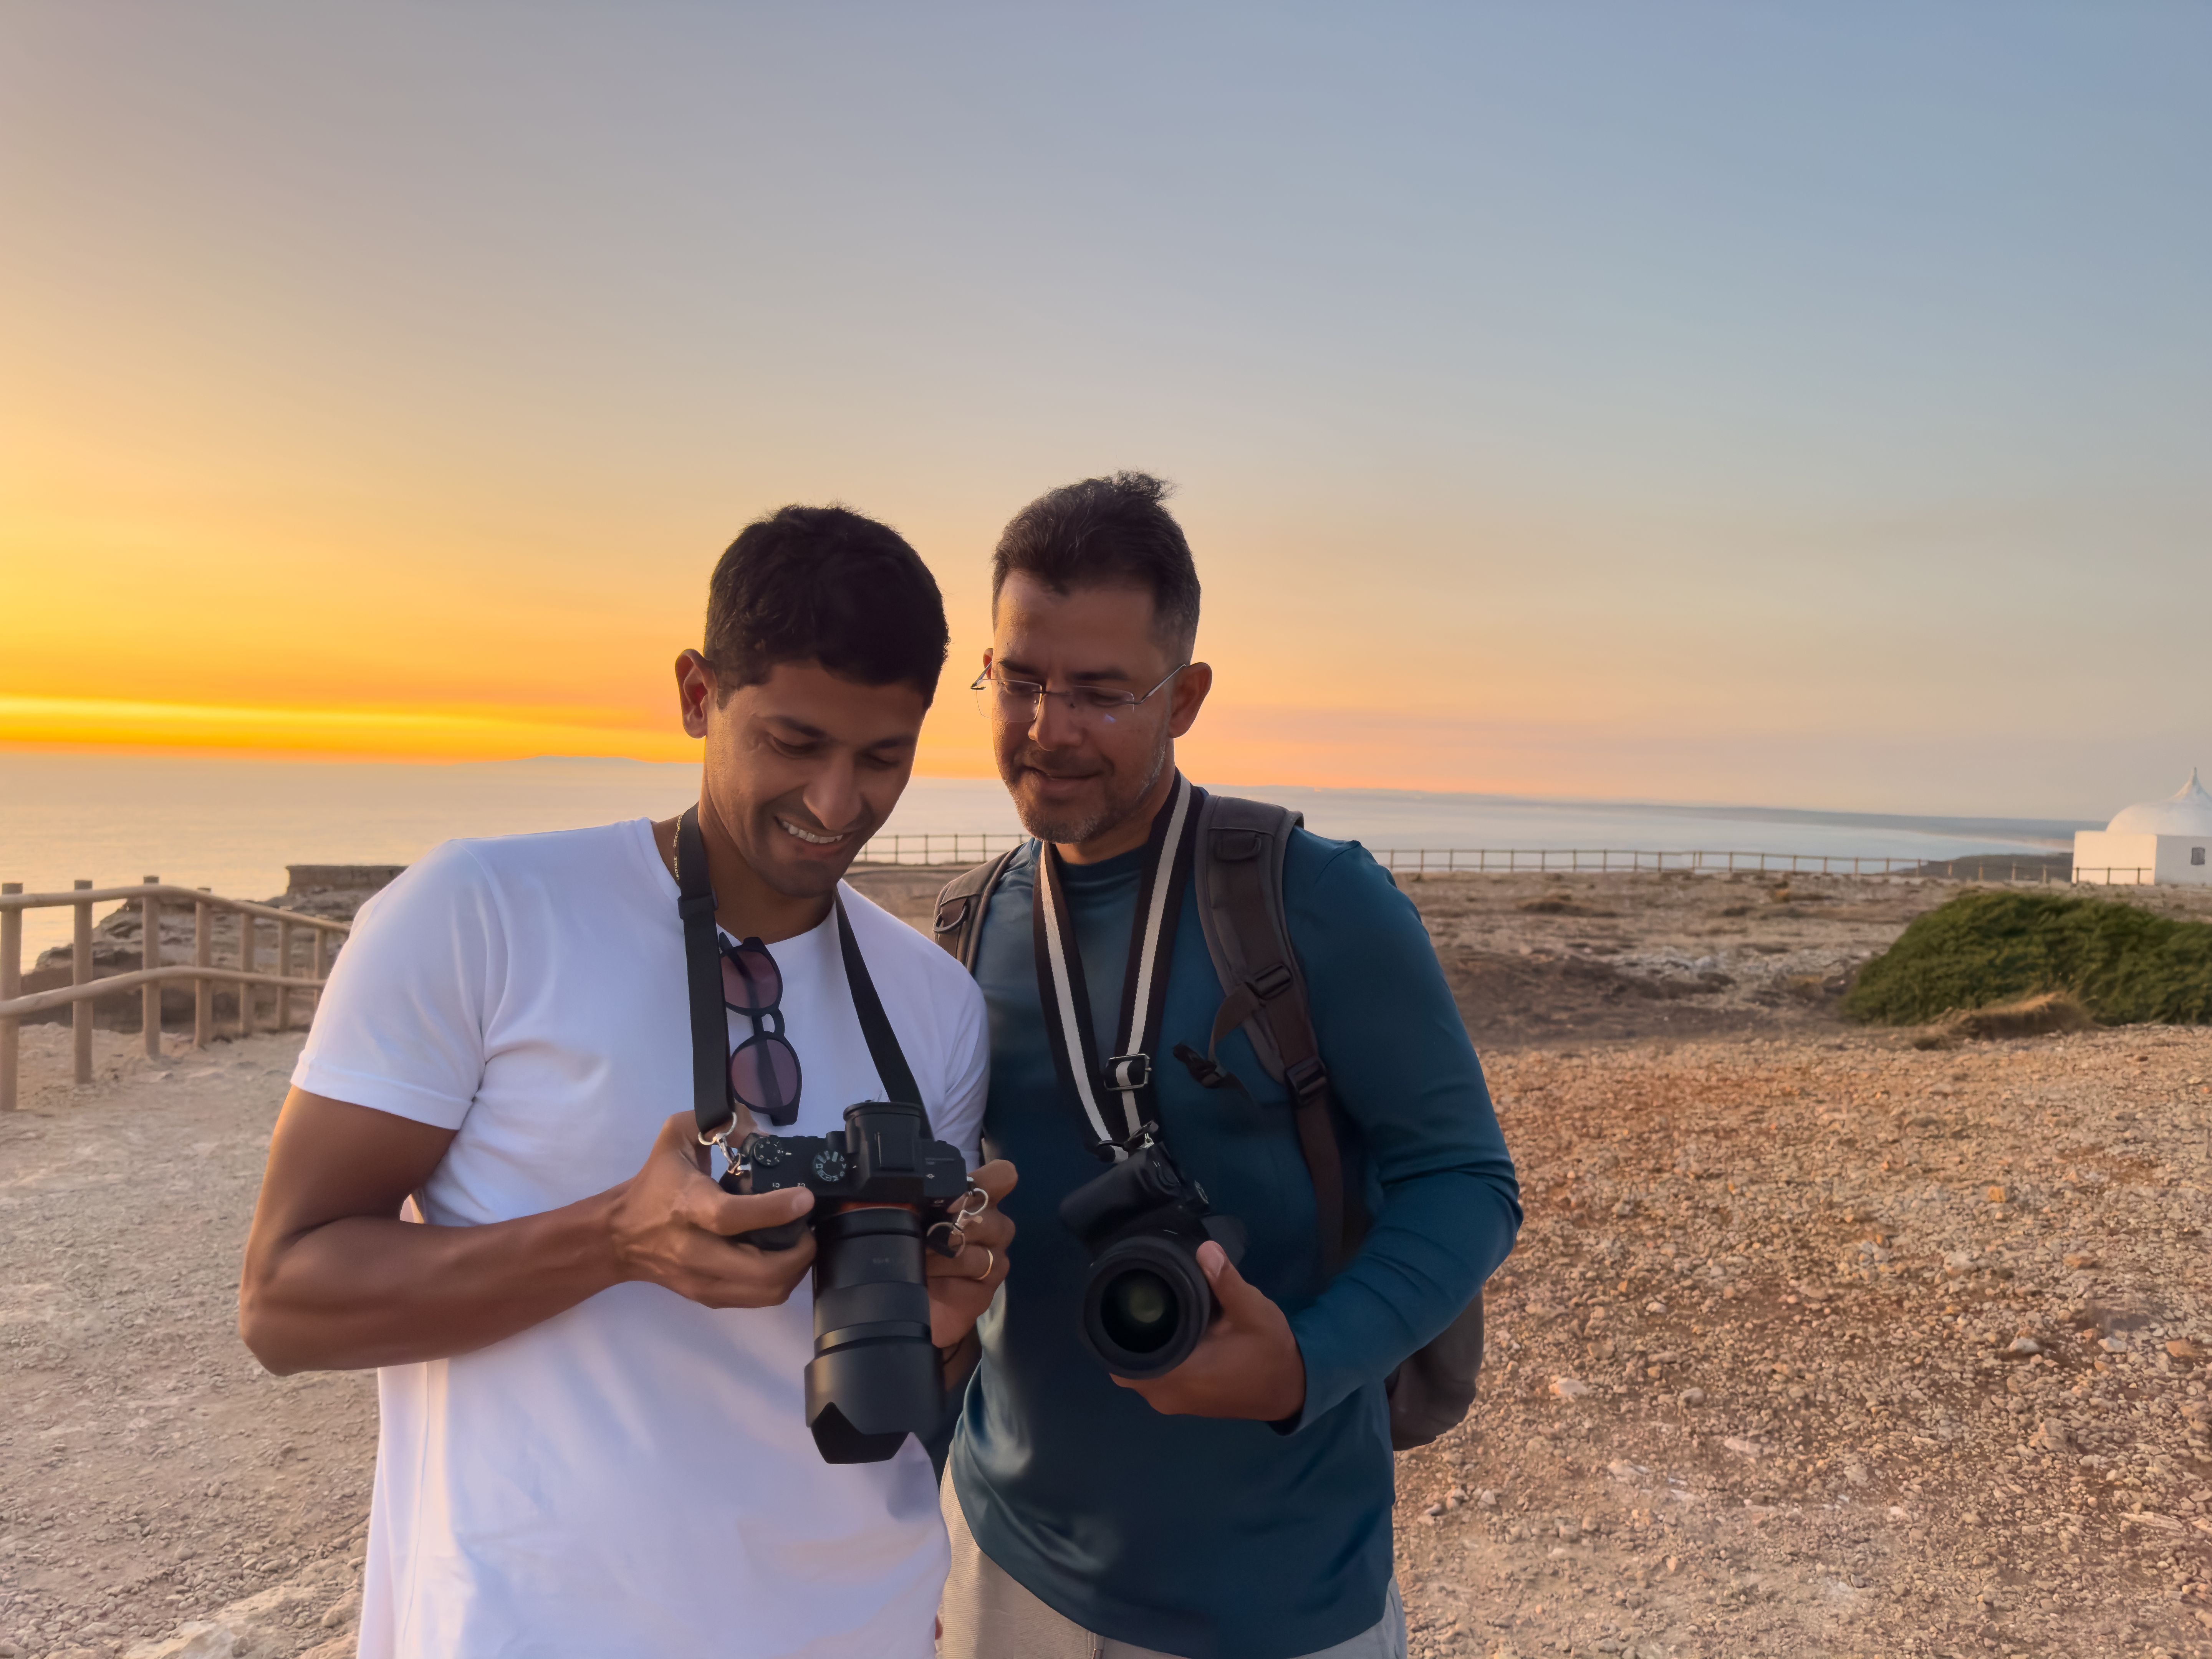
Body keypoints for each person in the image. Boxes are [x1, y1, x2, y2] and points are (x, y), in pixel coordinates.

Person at [238, 505, 1015, 1659]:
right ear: (698, 694)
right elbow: (284, 1305)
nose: (839, 804)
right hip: (539, 1624)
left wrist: (949, 1318)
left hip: (861, 1622)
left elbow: (899, 1381)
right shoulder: (481, 916)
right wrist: (612, 1240)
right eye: (795, 743)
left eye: (882, 757)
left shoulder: (933, 1003)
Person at [934, 474, 1521, 1659]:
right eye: (1022, 678)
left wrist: (1309, 1361)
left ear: (1185, 697)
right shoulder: (966, 929)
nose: (1049, 726)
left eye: (1100, 692)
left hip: (1283, 1592)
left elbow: (1466, 1182)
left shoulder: (1314, 899)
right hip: (1003, 1561)